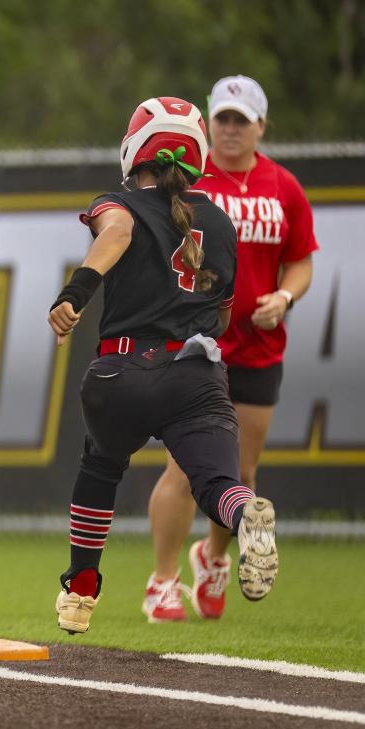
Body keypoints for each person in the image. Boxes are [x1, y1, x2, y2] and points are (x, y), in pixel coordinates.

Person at [50, 97, 278, 635]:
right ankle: (246, 516)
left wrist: (75, 294)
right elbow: (221, 315)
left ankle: (81, 589)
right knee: (218, 483)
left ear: (135, 149)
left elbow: (118, 233)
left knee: (100, 466)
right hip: (196, 374)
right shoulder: (220, 222)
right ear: (197, 153)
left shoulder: (119, 202)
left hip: (122, 372)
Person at [144, 76, 317, 623]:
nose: (231, 128)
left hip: (260, 346)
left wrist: (286, 296)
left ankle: (212, 557)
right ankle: (164, 580)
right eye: (223, 118)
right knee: (182, 465)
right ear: (208, 124)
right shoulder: (189, 184)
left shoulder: (283, 186)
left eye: (242, 119)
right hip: (197, 344)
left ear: (261, 126)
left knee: (240, 474)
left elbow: (301, 259)